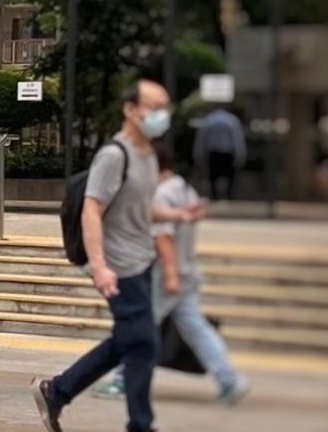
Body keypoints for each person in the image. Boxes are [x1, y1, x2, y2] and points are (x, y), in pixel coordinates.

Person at [30, 79, 204, 432]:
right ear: (130, 109)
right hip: (118, 264)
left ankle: (56, 391)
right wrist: (99, 265)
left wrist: (177, 214)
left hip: (141, 260)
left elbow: (142, 208)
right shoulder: (114, 155)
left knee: (128, 340)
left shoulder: (148, 156)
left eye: (165, 107)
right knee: (144, 342)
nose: (162, 114)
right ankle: (138, 430)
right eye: (154, 106)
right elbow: (91, 209)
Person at [94, 141, 250, 404]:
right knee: (196, 327)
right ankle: (229, 379)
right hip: (187, 270)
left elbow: (163, 239)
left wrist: (170, 275)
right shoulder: (184, 188)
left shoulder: (160, 194)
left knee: (138, 326)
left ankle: (123, 380)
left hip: (167, 276)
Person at [192, 104, 246, 201]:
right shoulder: (232, 120)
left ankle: (215, 196)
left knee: (213, 177)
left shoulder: (208, 120)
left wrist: (198, 155)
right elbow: (237, 140)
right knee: (229, 177)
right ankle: (229, 196)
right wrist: (240, 155)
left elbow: (201, 140)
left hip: (214, 153)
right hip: (227, 153)